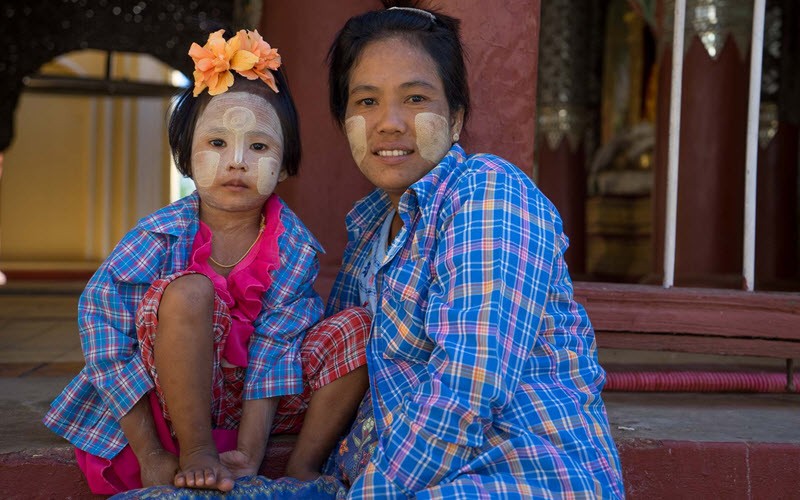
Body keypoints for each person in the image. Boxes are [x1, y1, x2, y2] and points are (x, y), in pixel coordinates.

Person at [43, 29, 369, 495]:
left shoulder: (294, 248)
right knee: (192, 291)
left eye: (259, 147)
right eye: (217, 143)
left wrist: (252, 455)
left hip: (257, 403)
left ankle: (301, 463)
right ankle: (197, 449)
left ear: (285, 162)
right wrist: (151, 453)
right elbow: (105, 335)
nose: (237, 161)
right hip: (166, 400)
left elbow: (275, 352)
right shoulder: (157, 237)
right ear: (186, 156)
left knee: (358, 325)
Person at [324, 3, 625, 498]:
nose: (390, 122)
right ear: (344, 122)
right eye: (366, 101)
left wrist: (370, 492)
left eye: (416, 97)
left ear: (457, 118)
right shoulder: (368, 234)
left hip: (522, 477)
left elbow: (470, 383)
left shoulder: (487, 193)